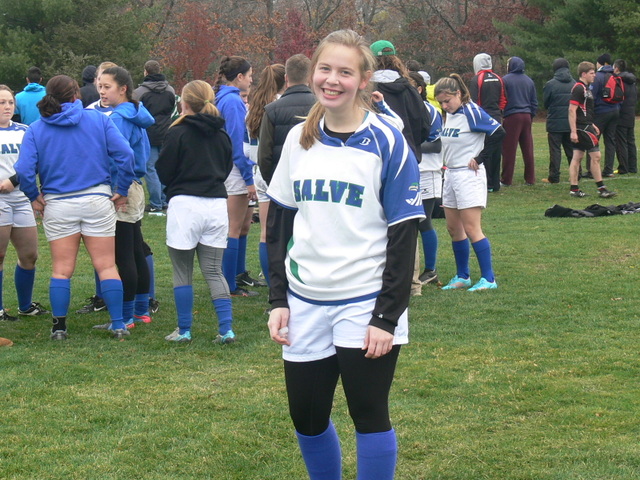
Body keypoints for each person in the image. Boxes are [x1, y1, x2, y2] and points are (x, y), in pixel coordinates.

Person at [266, 29, 424, 480]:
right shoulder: (298, 139)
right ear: (312, 72)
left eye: (345, 72)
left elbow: (403, 236)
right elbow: (279, 225)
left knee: (368, 414)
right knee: (306, 417)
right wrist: (278, 299)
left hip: (365, 301)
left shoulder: (387, 141)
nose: (332, 80)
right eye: (325, 69)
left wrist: (386, 316)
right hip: (305, 301)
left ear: (364, 80)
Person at [13, 75, 135, 340]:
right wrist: (122, 188)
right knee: (106, 266)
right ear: (76, 94)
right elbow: (126, 155)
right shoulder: (99, 119)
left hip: (58, 203)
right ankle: (118, 324)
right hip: (97, 199)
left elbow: (23, 169)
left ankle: (59, 327)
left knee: (61, 269)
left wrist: (33, 195)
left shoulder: (36, 128)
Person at [156, 80, 235, 343]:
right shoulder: (222, 135)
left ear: (185, 102)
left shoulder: (177, 132)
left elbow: (164, 170)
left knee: (183, 271)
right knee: (214, 271)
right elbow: (226, 168)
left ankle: (184, 330)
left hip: (185, 206)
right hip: (216, 205)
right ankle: (226, 329)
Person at [93, 66, 154, 331]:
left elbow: (118, 156)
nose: (102, 92)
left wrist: (119, 188)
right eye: (100, 86)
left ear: (123, 89)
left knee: (124, 254)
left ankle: (127, 317)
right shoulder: (136, 111)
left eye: (107, 87)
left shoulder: (118, 117)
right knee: (136, 248)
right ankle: (141, 310)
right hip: (135, 185)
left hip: (123, 187)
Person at [434, 74, 505, 292]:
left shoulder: (472, 111)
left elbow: (499, 132)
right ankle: (462, 276)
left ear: (458, 94)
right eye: (441, 102)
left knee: (472, 228)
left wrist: (480, 157)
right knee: (453, 228)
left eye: (447, 101)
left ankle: (488, 279)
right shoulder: (449, 114)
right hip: (451, 173)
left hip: (468, 175)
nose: (445, 106)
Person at [0, 85, 49, 321]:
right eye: (2, 102)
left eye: (10, 102)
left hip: (21, 198)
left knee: (30, 255)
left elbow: (35, 161)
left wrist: (14, 180)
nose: (7, 107)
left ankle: (25, 306)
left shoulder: (25, 130)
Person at [214, 55, 259, 297]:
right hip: (234, 168)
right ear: (239, 77)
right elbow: (236, 143)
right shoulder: (232, 101)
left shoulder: (227, 98)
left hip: (232, 167)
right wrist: (248, 178)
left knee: (241, 226)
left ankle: (237, 275)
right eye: (249, 75)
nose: (251, 80)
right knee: (233, 228)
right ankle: (229, 285)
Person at [245, 63, 286, 288]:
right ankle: (280, 282)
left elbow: (249, 146)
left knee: (264, 233)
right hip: (276, 172)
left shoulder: (254, 107)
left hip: (259, 171)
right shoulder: (280, 106)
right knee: (285, 231)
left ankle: (271, 285)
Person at [408, 72, 443, 286]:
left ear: (419, 89)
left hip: (427, 171)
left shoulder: (431, 111)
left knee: (423, 221)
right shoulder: (400, 109)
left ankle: (430, 270)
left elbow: (436, 145)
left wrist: (408, 145)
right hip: (407, 173)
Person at [370, 39, 430, 159]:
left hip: (373, 158)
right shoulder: (410, 90)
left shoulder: (365, 92)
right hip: (406, 157)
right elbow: (424, 126)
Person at [567, 62, 617, 199]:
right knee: (596, 156)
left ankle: (574, 189)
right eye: (591, 73)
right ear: (583, 74)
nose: (594, 75)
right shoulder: (579, 88)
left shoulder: (586, 88)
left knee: (577, 156)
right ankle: (602, 189)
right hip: (582, 128)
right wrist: (573, 131)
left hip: (586, 125)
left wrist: (592, 123)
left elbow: (584, 110)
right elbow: (572, 110)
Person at [133, 60, 176, 215]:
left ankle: (156, 203)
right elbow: (171, 109)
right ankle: (164, 200)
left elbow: (136, 110)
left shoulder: (139, 92)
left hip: (148, 133)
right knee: (163, 165)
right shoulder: (170, 90)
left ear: (146, 71)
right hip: (166, 131)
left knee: (150, 168)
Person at [469, 53, 507, 192]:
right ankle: (495, 183)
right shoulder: (498, 78)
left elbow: (474, 102)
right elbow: (503, 99)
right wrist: (498, 111)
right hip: (496, 117)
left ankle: (487, 183)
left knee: (484, 149)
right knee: (496, 149)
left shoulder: (476, 79)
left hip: (483, 118)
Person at [500, 56, 537, 186]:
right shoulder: (529, 81)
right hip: (526, 115)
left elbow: (502, 98)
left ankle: (506, 179)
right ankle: (530, 178)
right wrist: (531, 115)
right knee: (528, 148)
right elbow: (534, 101)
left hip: (512, 116)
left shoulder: (505, 80)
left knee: (509, 149)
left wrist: (503, 113)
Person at [542, 58, 576, 183]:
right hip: (570, 122)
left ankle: (554, 176)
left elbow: (546, 103)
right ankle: (576, 174)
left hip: (555, 121)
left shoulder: (550, 84)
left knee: (555, 151)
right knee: (571, 150)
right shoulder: (574, 83)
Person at [592, 53, 620, 177]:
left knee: (593, 139)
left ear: (601, 63)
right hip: (615, 110)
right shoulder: (615, 75)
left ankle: (592, 169)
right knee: (610, 141)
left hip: (601, 111)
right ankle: (608, 169)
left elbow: (592, 96)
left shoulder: (598, 76)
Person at [613, 59, 637, 174]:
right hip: (631, 113)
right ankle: (633, 167)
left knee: (621, 141)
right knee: (630, 141)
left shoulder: (619, 80)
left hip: (621, 114)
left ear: (617, 68)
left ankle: (623, 167)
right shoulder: (631, 81)